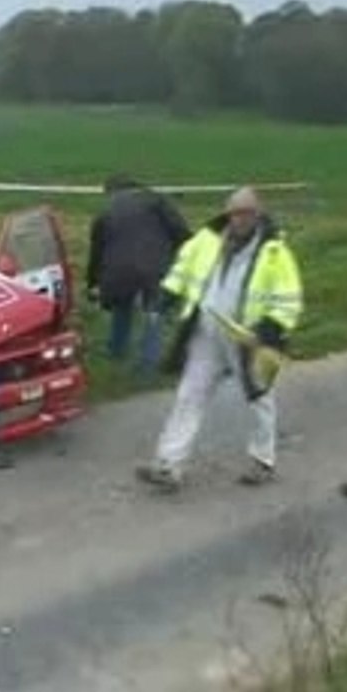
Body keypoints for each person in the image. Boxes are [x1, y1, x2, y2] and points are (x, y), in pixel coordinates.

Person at [136, 186, 304, 492]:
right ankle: (168, 466)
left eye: (244, 213)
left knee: (259, 399)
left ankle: (262, 460)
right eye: (233, 213)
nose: (237, 219)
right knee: (189, 396)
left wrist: (269, 329)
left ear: (257, 214)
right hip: (207, 333)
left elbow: (288, 300)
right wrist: (166, 297)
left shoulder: (275, 252)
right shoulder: (205, 240)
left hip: (247, 339)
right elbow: (182, 272)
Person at [86, 173, 190, 373]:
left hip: (118, 270)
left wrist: (92, 282)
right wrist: (181, 255)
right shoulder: (156, 201)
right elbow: (180, 231)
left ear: (111, 192)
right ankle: (148, 365)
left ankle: (116, 350)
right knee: (154, 312)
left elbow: (96, 253)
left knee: (121, 306)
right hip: (155, 266)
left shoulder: (105, 213)